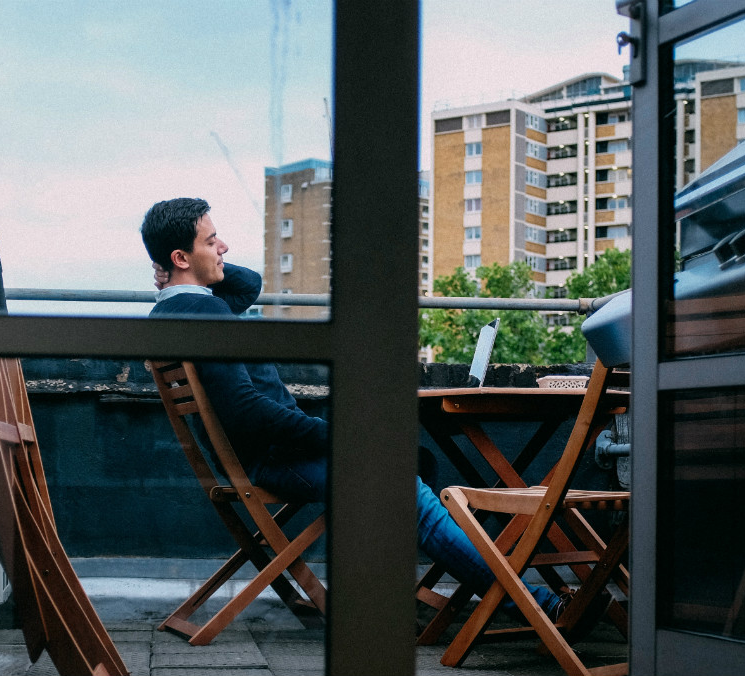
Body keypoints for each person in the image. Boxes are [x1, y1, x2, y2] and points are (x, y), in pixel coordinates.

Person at [140, 197, 565, 619]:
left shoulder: (182, 309)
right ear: (181, 256)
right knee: (401, 485)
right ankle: (533, 604)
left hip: (262, 456)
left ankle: (388, 593)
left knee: (416, 463)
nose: (224, 248)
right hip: (274, 460)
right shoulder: (203, 311)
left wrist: (185, 268)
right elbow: (248, 411)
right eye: (212, 242)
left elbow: (247, 284)